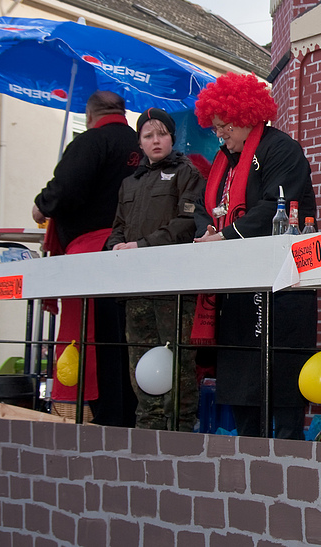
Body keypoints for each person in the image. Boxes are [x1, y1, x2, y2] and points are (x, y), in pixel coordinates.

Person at [192, 72, 318, 439]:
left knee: (282, 387)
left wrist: (227, 234)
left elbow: (276, 205)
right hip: (239, 288)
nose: (221, 135)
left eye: (225, 127)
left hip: (282, 285)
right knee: (243, 387)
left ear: (246, 115)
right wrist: (208, 231)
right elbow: (205, 206)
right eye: (216, 129)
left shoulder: (282, 150)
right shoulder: (223, 161)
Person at [32, 90, 140, 426]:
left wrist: (41, 204)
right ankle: (127, 415)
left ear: (90, 114)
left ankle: (83, 415)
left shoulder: (91, 141)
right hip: (138, 256)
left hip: (89, 256)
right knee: (127, 339)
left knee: (85, 339)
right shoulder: (144, 143)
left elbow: (65, 190)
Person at [105, 108, 205, 431]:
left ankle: (180, 428)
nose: (155, 140)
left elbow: (187, 224)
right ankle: (147, 430)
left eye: (161, 134)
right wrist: (115, 248)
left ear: (172, 138)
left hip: (173, 290)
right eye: (148, 135)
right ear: (140, 142)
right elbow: (117, 227)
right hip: (136, 290)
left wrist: (141, 247)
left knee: (178, 362)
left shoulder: (187, 174)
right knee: (140, 361)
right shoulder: (128, 185)